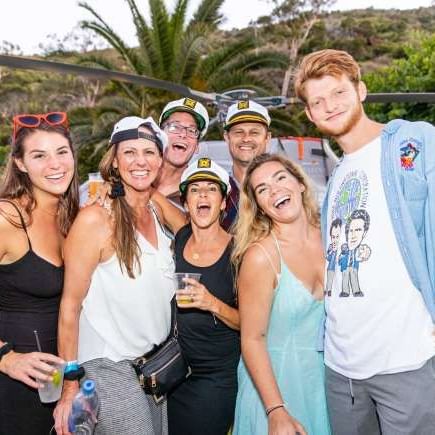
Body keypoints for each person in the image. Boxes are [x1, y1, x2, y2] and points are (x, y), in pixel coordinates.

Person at [294, 48, 435, 434]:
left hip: (405, 359)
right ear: (309, 114)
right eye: (318, 101)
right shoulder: (336, 176)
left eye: (339, 92)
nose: (330, 106)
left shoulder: (413, 144)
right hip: (342, 369)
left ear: (361, 90)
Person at [54, 116, 185, 435]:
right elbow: (69, 307)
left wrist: (147, 193)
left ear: (160, 160)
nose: (140, 161)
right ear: (114, 160)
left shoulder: (156, 212)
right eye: (129, 153)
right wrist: (69, 386)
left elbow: (195, 235)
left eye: (149, 152)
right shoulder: (96, 220)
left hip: (153, 366)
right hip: (108, 367)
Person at [232, 153, 331, 435]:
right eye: (263, 189)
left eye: (280, 178)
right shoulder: (261, 256)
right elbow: (251, 339)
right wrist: (275, 410)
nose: (274, 190)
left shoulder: (331, 236)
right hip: (275, 389)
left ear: (300, 183)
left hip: (327, 384)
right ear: (260, 207)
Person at [0, 112, 79, 435]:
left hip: (61, 378)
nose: (55, 164)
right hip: (14, 385)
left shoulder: (71, 216)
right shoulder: (7, 217)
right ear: (20, 163)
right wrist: (6, 359)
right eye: (39, 155)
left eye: (61, 152)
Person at [168, 157, 240, 435]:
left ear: (223, 202)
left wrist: (211, 303)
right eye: (195, 189)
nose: (203, 195)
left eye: (211, 189)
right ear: (186, 202)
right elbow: (146, 192)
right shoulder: (181, 237)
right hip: (175, 372)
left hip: (216, 377)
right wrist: (107, 187)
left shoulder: (238, 253)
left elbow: (251, 323)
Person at [221, 100, 271, 231]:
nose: (246, 138)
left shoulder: (282, 190)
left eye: (254, 132)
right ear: (227, 137)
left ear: (267, 138)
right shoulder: (217, 190)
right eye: (238, 132)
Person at [156, 98, 209, 207]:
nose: (183, 134)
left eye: (191, 130)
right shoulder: (134, 176)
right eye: (175, 127)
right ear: (160, 135)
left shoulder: (197, 198)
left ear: (197, 146)